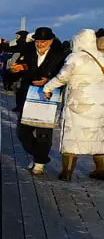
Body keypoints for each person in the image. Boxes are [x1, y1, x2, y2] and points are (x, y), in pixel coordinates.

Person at [43, 28, 104, 181]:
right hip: (100, 103)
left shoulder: (74, 57)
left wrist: (48, 87)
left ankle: (67, 173)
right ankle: (101, 170)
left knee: (72, 138)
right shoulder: (102, 57)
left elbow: (62, 77)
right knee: (98, 136)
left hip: (77, 103)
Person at [15, 27, 68, 176]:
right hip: (28, 94)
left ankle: (39, 164)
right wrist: (20, 68)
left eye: (44, 41)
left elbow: (64, 76)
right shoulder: (29, 50)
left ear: (51, 40)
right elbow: (26, 67)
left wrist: (49, 80)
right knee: (22, 132)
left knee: (44, 132)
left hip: (48, 96)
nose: (40, 44)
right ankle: (40, 156)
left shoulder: (61, 54)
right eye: (38, 41)